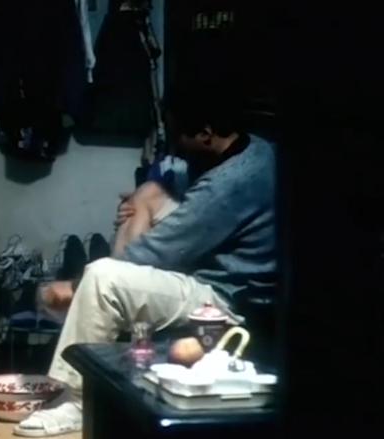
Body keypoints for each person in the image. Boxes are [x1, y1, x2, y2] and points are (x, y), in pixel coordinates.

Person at [15, 87, 278, 437]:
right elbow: (182, 213)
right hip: (216, 260)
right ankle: (102, 306)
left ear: (206, 133)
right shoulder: (254, 147)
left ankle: (78, 400)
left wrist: (76, 285)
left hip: (225, 298)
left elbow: (162, 250)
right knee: (148, 195)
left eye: (177, 134)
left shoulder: (232, 183)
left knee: (102, 277)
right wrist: (141, 204)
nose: (174, 144)